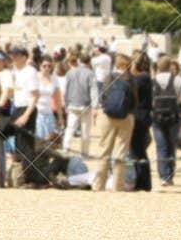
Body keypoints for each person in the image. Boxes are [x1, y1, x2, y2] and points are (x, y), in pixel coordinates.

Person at [93, 53, 136, 192]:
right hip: (125, 117)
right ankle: (117, 186)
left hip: (107, 117)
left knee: (104, 151)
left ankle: (99, 185)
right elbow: (135, 100)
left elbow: (103, 96)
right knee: (120, 153)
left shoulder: (109, 77)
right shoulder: (130, 80)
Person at [3, 47, 40, 185]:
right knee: (18, 143)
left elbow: (35, 96)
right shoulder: (16, 72)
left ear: (24, 57)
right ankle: (22, 175)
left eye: (17, 55)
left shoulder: (30, 72)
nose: (13, 58)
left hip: (27, 108)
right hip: (18, 107)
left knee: (26, 145)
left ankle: (30, 177)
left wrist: (26, 115)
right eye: (12, 55)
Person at [149, 55, 181, 186]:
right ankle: (170, 174)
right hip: (174, 116)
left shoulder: (153, 81)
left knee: (161, 146)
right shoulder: (178, 80)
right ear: (170, 66)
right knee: (172, 146)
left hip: (157, 117)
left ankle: (163, 175)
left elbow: (150, 100)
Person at [62, 52, 99, 157]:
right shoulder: (90, 73)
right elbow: (94, 91)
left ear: (79, 61)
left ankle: (66, 148)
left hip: (72, 104)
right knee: (85, 130)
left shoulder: (70, 72)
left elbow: (66, 89)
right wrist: (95, 106)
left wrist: (66, 103)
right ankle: (84, 152)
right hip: (85, 105)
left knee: (70, 128)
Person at [128, 51, 154, 192]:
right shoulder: (144, 77)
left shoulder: (141, 78)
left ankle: (142, 181)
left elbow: (130, 90)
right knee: (138, 150)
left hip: (140, 117)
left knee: (138, 150)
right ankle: (142, 181)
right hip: (141, 116)